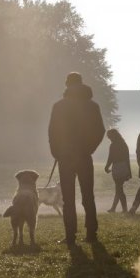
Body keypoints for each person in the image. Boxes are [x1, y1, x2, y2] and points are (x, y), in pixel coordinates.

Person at [48, 72, 105, 246]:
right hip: (84, 156)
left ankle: (70, 235)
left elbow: (52, 132)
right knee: (88, 196)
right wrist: (89, 149)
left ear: (67, 85)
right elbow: (100, 131)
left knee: (68, 199)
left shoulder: (59, 106)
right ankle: (91, 233)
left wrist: (57, 152)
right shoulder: (92, 106)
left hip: (65, 157)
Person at [104, 129, 131, 213]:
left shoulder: (113, 145)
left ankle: (124, 209)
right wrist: (129, 172)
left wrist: (106, 167)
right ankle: (114, 208)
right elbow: (127, 159)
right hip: (124, 167)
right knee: (118, 189)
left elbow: (110, 158)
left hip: (117, 168)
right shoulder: (124, 144)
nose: (109, 139)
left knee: (119, 189)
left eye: (109, 137)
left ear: (113, 136)